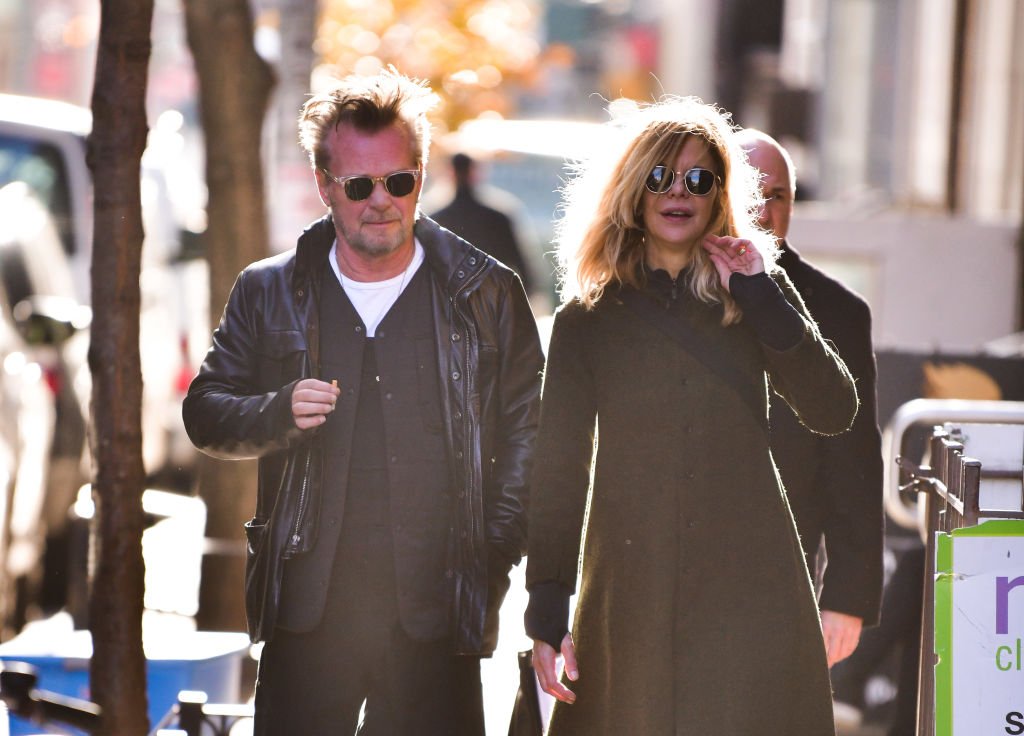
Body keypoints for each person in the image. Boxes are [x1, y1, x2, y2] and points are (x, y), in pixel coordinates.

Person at [182, 69, 544, 735]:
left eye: (399, 181)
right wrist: (276, 411)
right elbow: (204, 412)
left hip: (438, 618)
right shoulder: (270, 292)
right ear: (325, 186)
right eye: (359, 185)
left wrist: (492, 555)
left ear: (421, 174)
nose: (381, 201)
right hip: (308, 615)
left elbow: (531, 437)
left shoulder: (485, 294)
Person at [523, 96, 859, 734]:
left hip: (748, 580)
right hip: (632, 580)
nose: (679, 192)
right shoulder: (588, 320)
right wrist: (546, 610)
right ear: (634, 191)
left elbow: (832, 409)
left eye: (699, 178)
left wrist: (758, 293)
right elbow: (557, 469)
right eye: (660, 176)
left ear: (719, 194)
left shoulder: (754, 297)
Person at [736, 128, 884, 668]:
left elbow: (855, 465)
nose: (762, 207)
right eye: (748, 189)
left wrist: (846, 598)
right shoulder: (672, 296)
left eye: (776, 195)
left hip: (782, 579)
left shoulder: (839, 311)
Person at [430, 151, 536, 295]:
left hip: (448, 306)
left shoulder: (435, 220)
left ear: (450, 173)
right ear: (475, 173)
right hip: (493, 303)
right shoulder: (499, 217)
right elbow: (525, 271)